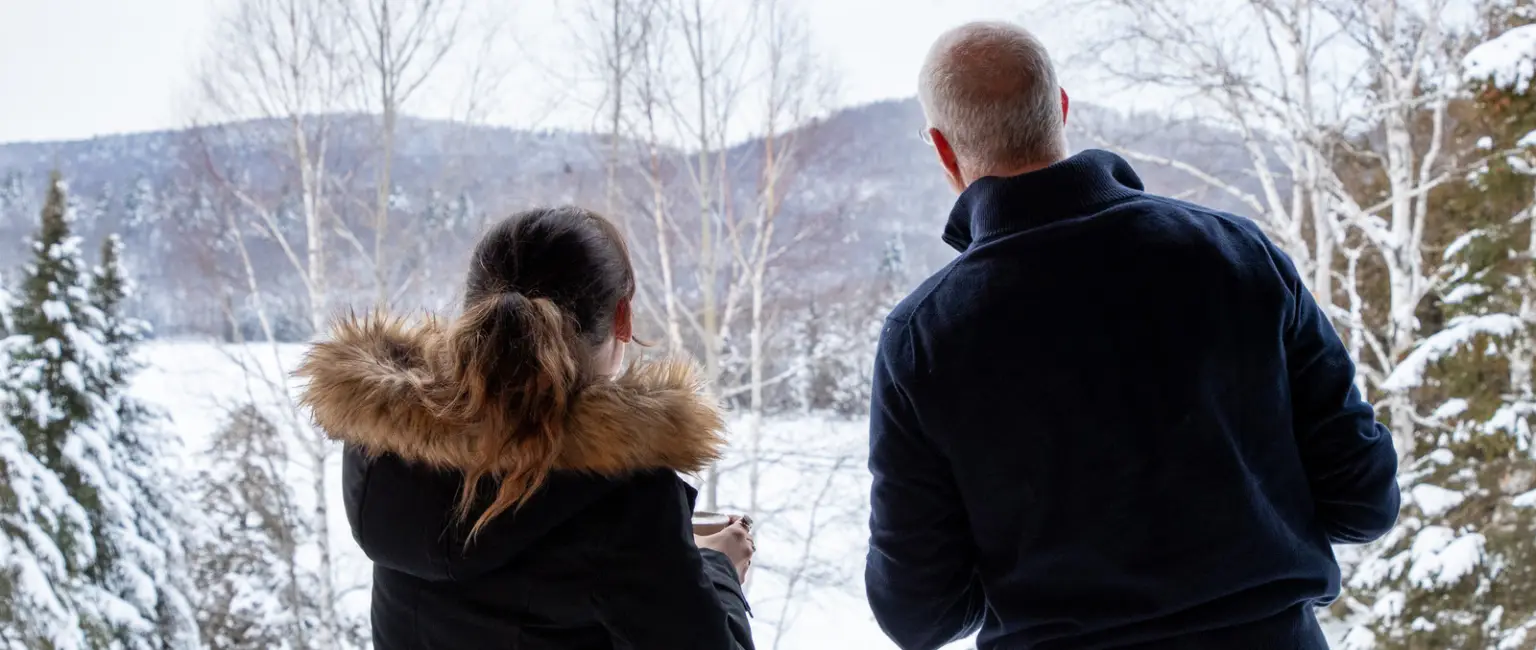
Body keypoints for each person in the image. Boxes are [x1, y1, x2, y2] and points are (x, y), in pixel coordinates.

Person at [864, 22, 1401, 650]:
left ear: (943, 149)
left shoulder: (923, 340)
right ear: (1060, 106)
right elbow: (1364, 501)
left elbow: (918, 614)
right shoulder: (1236, 254)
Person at [297, 207, 757, 650]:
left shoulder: (391, 450)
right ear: (623, 318)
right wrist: (718, 567)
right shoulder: (622, 501)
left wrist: (672, 547)